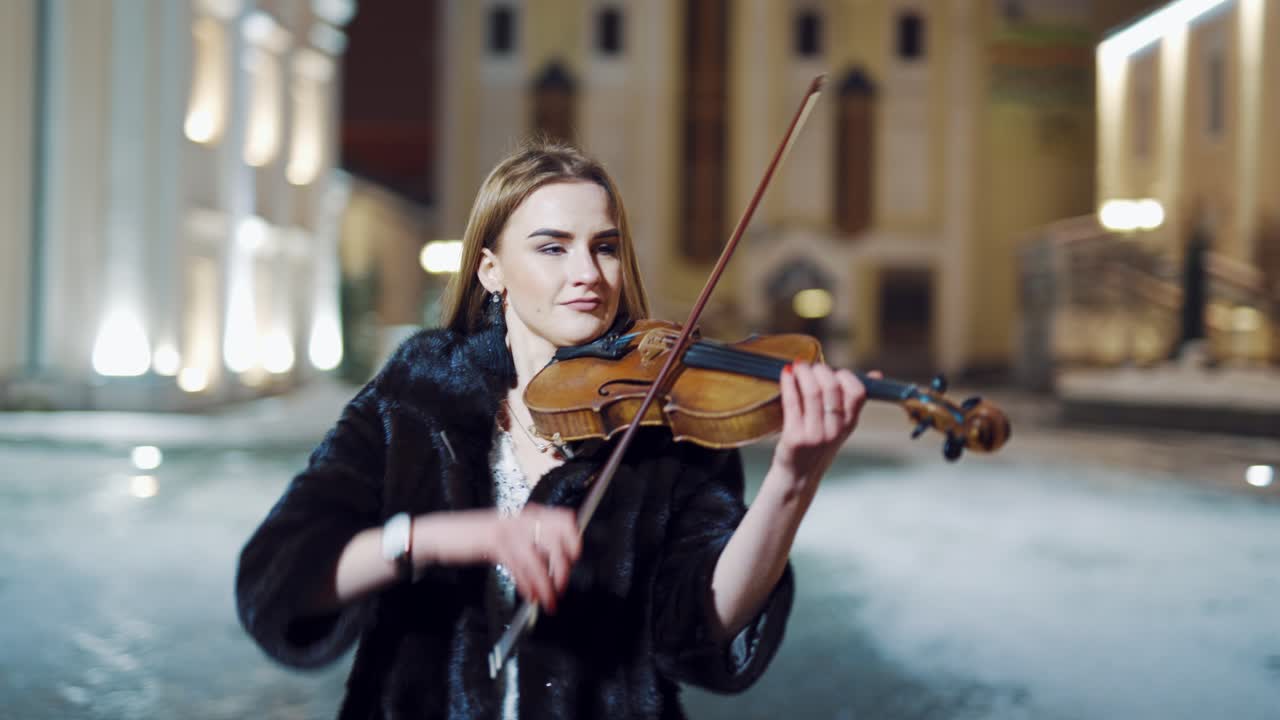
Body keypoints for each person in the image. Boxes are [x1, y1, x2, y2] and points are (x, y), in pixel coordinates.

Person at [235, 140, 870, 719]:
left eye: (604, 245)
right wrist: (445, 537)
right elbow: (279, 579)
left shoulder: (664, 413)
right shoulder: (418, 394)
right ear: (491, 271)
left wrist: (793, 480)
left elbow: (698, 632)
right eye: (551, 247)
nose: (588, 273)